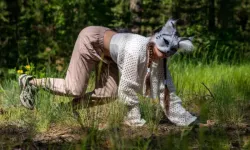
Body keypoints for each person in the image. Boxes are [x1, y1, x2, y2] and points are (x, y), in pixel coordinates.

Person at [19, 19, 213, 127]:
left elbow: (166, 89)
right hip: (91, 40)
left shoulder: (156, 56)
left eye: (167, 55)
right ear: (154, 43)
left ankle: (63, 111)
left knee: (108, 94)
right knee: (74, 88)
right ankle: (30, 82)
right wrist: (134, 119)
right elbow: (127, 88)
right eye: (162, 52)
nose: (163, 57)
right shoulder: (135, 50)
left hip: (109, 53)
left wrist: (186, 119)